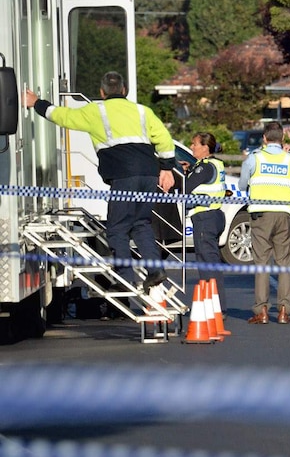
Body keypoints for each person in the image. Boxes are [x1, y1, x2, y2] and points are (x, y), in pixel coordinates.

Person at [23, 71, 174, 292]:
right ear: (124, 91)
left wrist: (36, 103)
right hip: (149, 173)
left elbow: (62, 116)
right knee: (141, 224)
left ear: (102, 93)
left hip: (124, 175)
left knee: (117, 228)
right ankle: (155, 270)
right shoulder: (143, 111)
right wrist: (167, 168)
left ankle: (125, 279)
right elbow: (163, 138)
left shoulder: (96, 111)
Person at [239, 121, 290, 325]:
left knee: (261, 263)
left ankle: (261, 311)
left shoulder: (254, 158)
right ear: (282, 139)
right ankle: (283, 311)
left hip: (260, 214)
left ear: (264, 138)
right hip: (284, 215)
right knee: (284, 263)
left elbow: (242, 184)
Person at [180, 132, 227, 311]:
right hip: (213, 216)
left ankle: (214, 307)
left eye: (194, 144)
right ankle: (214, 305)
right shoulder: (213, 164)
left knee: (207, 263)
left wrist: (184, 173)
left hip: (205, 217)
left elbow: (186, 188)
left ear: (205, 148)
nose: (191, 147)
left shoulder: (204, 167)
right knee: (210, 262)